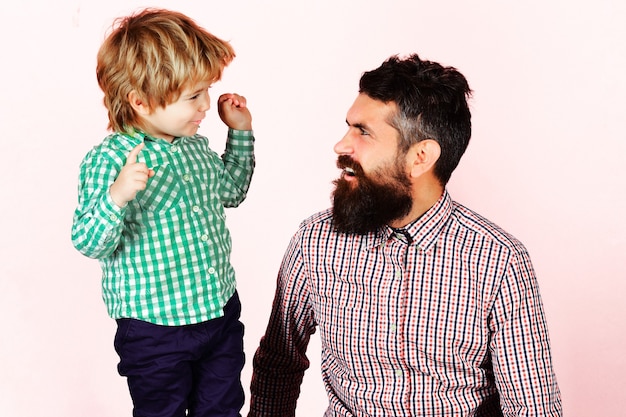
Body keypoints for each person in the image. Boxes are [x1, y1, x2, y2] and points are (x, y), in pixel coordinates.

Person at [248, 54, 561, 416]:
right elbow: (278, 365)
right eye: (349, 127)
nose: (341, 146)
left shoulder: (499, 260)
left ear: (420, 157)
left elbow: (532, 407)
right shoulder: (315, 240)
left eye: (363, 132)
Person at [71, 8, 255, 417]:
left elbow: (233, 191)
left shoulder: (194, 147)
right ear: (140, 101)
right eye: (193, 96)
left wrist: (239, 131)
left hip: (219, 312)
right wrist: (116, 197)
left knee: (224, 407)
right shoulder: (110, 160)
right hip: (155, 328)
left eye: (206, 90)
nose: (207, 104)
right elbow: (88, 241)